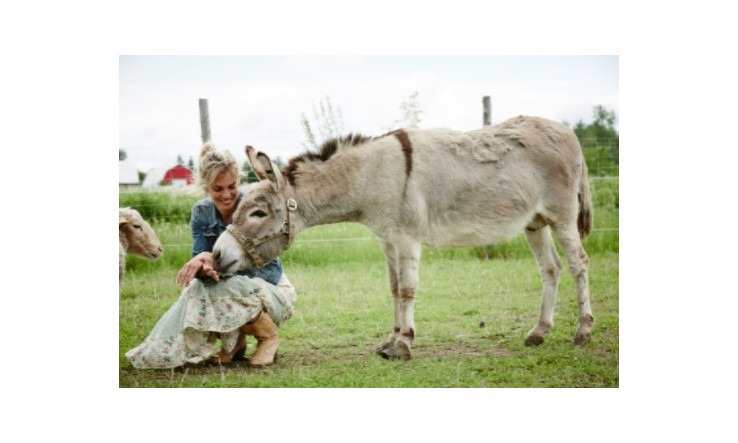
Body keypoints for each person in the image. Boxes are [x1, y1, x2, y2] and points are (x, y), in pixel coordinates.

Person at [125, 143, 296, 369]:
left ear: (238, 181)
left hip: (270, 291)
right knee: (201, 286)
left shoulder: (254, 208)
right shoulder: (201, 212)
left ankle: (268, 337)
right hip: (234, 289)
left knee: (220, 285)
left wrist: (209, 258)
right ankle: (233, 344)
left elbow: (260, 264)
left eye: (232, 186)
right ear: (206, 187)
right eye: (218, 189)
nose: (227, 195)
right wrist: (203, 265)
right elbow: (201, 260)